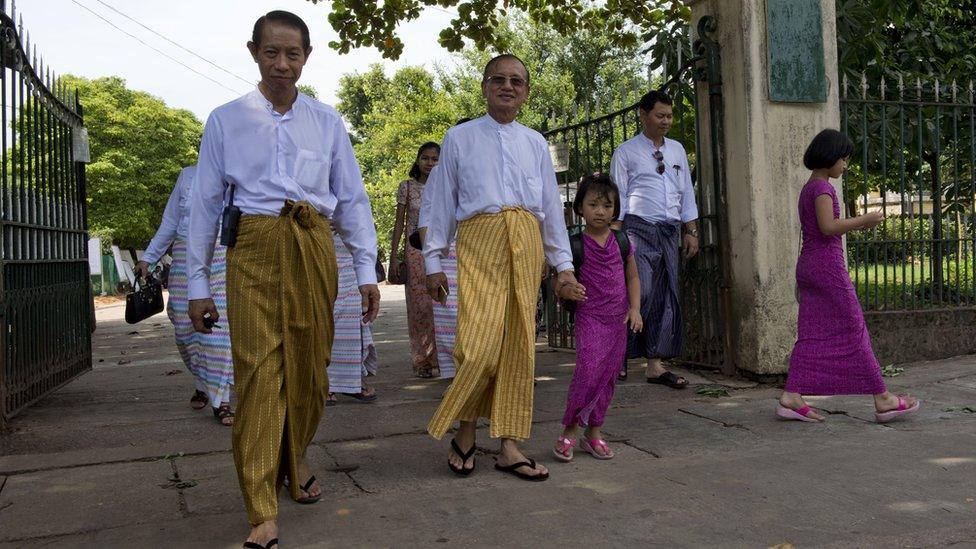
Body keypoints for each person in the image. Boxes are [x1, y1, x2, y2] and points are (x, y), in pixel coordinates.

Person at [185, 11, 380, 548]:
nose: (281, 64)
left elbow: (353, 201)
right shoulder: (225, 120)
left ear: (306, 58)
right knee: (257, 373)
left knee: (312, 373)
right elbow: (203, 204)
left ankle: (296, 456)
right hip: (251, 246)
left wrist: (366, 269)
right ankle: (261, 507)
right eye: (271, 52)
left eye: (292, 54)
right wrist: (197, 284)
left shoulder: (328, 121)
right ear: (253, 52)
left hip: (314, 246)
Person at [423, 54, 580, 482]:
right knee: (478, 344)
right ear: (484, 86)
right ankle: (465, 429)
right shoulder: (458, 137)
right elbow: (442, 203)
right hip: (481, 238)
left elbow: (550, 206)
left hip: (527, 240)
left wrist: (562, 266)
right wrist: (432, 259)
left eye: (517, 81)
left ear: (526, 92)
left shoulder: (534, 142)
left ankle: (509, 445)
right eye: (499, 79)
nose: (508, 87)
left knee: (518, 344)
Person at [777, 129, 920, 423]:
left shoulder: (810, 187)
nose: (845, 165)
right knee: (854, 327)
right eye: (843, 159)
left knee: (812, 333)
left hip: (810, 266)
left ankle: (792, 395)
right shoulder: (822, 189)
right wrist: (863, 221)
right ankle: (883, 398)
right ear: (830, 157)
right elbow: (828, 227)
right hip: (826, 267)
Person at [610, 89, 699, 388]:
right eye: (659, 116)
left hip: (669, 229)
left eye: (669, 116)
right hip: (637, 228)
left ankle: (655, 364)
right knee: (641, 291)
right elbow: (618, 196)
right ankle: (617, 357)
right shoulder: (625, 152)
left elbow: (686, 192)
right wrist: (614, 237)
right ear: (643, 115)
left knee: (665, 294)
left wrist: (691, 230)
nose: (666, 121)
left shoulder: (677, 150)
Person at [136, 166, 235, 426]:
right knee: (184, 326)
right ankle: (202, 382)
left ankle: (221, 399)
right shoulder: (187, 175)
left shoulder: (238, 172)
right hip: (184, 253)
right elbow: (169, 222)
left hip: (222, 253)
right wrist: (148, 257)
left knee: (218, 328)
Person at [553, 174, 642, 462]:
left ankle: (594, 434)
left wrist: (635, 309)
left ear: (615, 209)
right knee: (589, 370)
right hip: (590, 317)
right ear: (580, 208)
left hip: (618, 319)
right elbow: (559, 283)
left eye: (607, 205)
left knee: (608, 378)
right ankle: (570, 430)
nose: (600, 211)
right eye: (593, 204)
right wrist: (568, 290)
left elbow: (632, 276)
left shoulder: (622, 240)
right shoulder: (573, 244)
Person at [390, 143, 443, 378]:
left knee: (441, 305)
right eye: (425, 158)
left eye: (434, 159)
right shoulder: (408, 188)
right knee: (419, 307)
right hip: (415, 252)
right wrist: (393, 256)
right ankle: (422, 360)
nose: (430, 164)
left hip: (441, 251)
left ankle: (443, 357)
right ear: (418, 160)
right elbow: (399, 224)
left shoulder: (445, 187)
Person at [327, 231, 379, 404]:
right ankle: (324, 383)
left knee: (352, 314)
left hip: (349, 247)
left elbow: (357, 211)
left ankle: (351, 381)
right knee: (323, 314)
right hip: (313, 242)